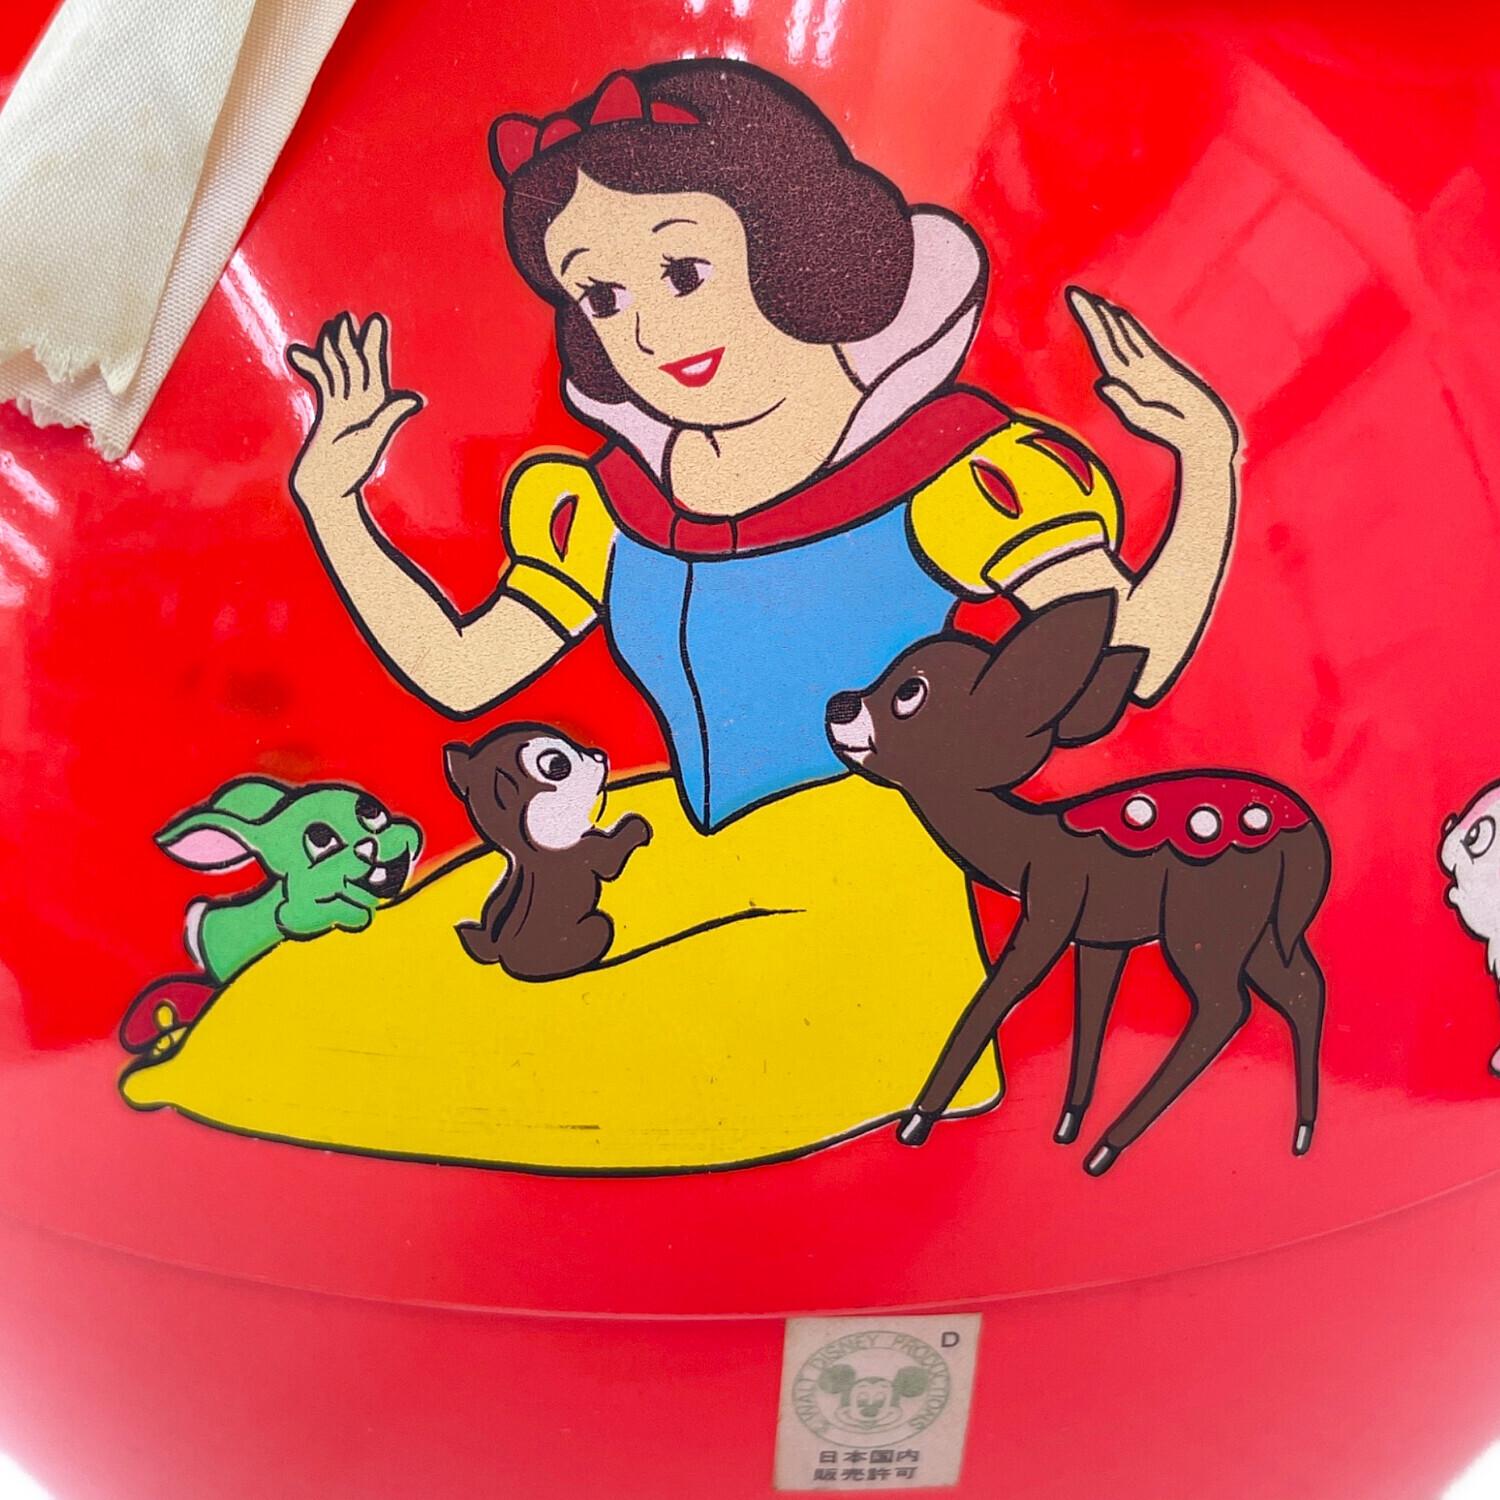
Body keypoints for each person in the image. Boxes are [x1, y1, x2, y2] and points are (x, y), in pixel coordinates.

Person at [122, 61, 1239, 1173]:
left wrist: (1209, 462)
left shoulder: (955, 476)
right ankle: (209, 1061)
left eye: (684, 270)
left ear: (797, 249)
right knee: (370, 982)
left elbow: (1124, 666)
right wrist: (336, 504)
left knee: (544, 1058)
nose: (648, 330)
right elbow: (464, 674)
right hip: (678, 849)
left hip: (868, 901)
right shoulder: (605, 508)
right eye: (602, 298)